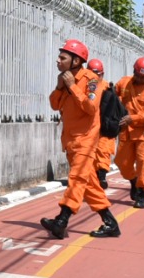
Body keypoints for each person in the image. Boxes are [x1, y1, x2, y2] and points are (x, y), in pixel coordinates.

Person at [39, 39, 120, 239]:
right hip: (70, 140)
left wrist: (72, 86)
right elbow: (55, 106)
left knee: (75, 180)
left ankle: (62, 220)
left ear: (76, 60)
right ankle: (111, 224)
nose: (58, 61)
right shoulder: (65, 79)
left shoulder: (92, 80)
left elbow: (91, 107)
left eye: (62, 57)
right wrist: (60, 87)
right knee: (90, 185)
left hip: (86, 140)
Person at [114, 57, 144, 209]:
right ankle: (133, 181)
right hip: (126, 132)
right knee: (122, 163)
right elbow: (113, 98)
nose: (140, 79)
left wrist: (132, 118)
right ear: (133, 70)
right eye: (138, 75)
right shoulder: (124, 83)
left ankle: (141, 194)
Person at [87, 58, 116, 190]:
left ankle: (102, 176)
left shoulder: (108, 88)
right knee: (90, 154)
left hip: (105, 125)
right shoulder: (82, 87)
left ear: (102, 74)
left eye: (97, 74)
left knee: (104, 150)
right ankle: (95, 176)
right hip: (88, 126)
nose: (95, 77)